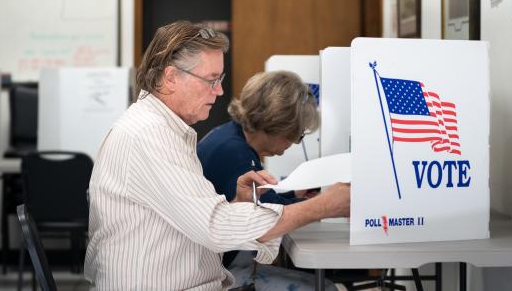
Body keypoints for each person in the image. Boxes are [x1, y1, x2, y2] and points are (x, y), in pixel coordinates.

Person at [84, 20, 349, 290]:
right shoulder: (149, 134)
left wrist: (236, 203)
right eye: (211, 80)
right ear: (171, 77)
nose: (220, 91)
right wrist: (325, 206)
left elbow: (194, 222)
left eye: (219, 80)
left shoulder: (160, 129)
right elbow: (215, 228)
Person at [197, 70, 318, 268]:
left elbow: (260, 199)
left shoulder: (230, 136)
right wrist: (324, 205)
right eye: (297, 133)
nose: (295, 142)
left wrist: (295, 194)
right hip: (217, 271)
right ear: (278, 123)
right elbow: (269, 214)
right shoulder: (235, 153)